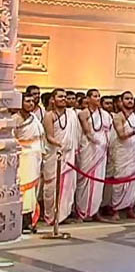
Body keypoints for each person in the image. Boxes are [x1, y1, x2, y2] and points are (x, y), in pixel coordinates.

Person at [42, 88, 79, 225]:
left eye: (65, 96)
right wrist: (60, 144)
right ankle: (51, 216)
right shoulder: (49, 115)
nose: (63, 99)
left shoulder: (71, 114)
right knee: (51, 186)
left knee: (68, 186)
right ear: (53, 99)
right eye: (60, 96)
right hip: (54, 155)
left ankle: (62, 215)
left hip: (68, 155)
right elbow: (49, 136)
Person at [75, 89, 113, 222]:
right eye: (95, 96)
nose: (97, 98)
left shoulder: (105, 114)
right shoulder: (83, 114)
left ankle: (95, 211)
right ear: (88, 98)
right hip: (89, 149)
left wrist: (104, 144)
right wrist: (97, 141)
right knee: (85, 180)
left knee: (98, 182)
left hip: (101, 151)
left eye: (98, 96)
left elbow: (108, 132)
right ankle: (82, 212)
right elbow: (87, 131)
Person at [110, 91, 135, 221]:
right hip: (122, 152)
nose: (130, 101)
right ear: (121, 101)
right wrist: (134, 131)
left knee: (133, 182)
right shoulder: (118, 116)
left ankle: (130, 208)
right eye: (127, 99)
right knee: (120, 181)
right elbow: (121, 135)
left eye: (131, 98)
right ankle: (116, 210)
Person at [15, 93, 44, 232]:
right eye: (27, 101)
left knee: (32, 191)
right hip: (23, 157)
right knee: (23, 189)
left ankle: (29, 220)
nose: (31, 104)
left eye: (32, 101)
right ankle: (20, 221)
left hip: (35, 157)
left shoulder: (34, 118)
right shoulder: (15, 119)